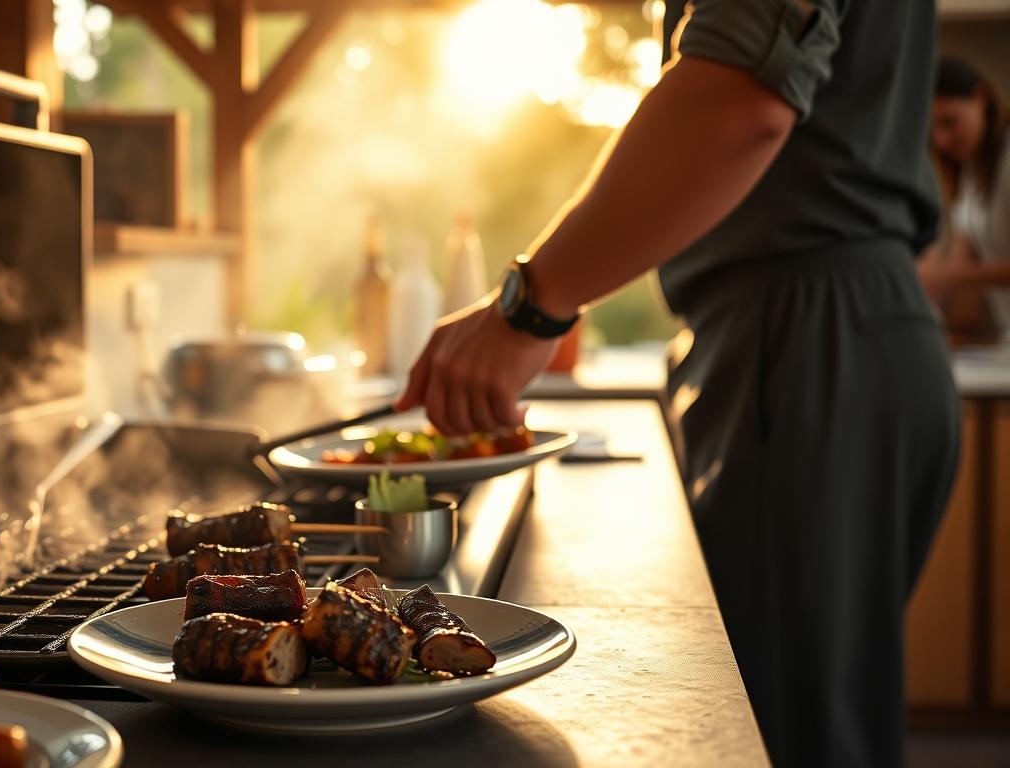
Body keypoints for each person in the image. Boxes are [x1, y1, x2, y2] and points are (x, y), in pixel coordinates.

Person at [395, 1, 960, 766]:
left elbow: (740, 102)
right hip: (840, 328)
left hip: (803, 335)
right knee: (825, 717)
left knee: (788, 734)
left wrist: (528, 309)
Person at [919, 56, 1010, 342]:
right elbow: (963, 248)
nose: (942, 141)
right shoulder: (972, 172)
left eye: (950, 122)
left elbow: (956, 272)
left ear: (981, 98)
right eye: (934, 130)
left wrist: (949, 277)